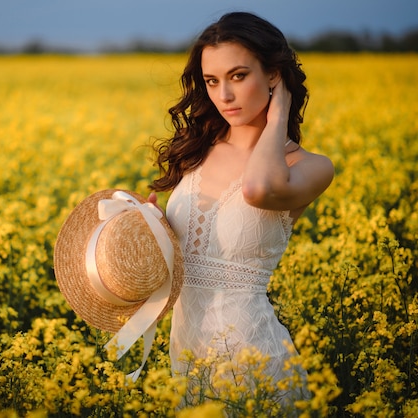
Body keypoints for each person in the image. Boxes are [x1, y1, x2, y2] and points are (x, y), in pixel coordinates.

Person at [147, 12, 334, 409]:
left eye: (238, 76)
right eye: (212, 81)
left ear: (273, 75)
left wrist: (278, 115)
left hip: (256, 363)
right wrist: (146, 229)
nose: (224, 96)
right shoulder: (197, 151)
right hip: (187, 364)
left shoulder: (309, 167)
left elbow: (258, 189)